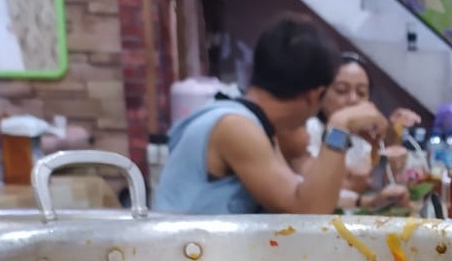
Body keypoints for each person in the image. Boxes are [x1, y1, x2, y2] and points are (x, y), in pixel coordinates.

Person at [154, 14, 387, 215]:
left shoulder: (251, 122)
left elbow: (303, 192)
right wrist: (339, 126)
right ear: (314, 94)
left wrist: (366, 202)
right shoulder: (235, 126)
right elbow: (308, 212)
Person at [302, 52, 418, 210]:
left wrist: (393, 135)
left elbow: (375, 179)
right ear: (321, 94)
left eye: (361, 93)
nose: (353, 100)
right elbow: (318, 190)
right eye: (342, 90)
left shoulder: (361, 136)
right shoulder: (309, 130)